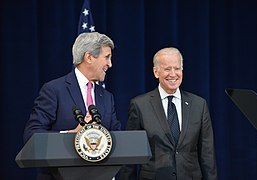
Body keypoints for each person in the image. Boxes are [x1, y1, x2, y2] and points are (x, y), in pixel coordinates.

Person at [23, 32, 121, 179]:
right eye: (107, 57)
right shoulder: (54, 90)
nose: (110, 64)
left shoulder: (107, 97)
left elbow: (118, 137)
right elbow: (32, 135)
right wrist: (71, 135)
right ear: (89, 57)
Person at [120, 47, 217, 180]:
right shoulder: (140, 105)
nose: (173, 74)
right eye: (167, 69)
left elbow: (207, 154)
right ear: (156, 72)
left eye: (177, 68)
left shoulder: (199, 105)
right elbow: (130, 154)